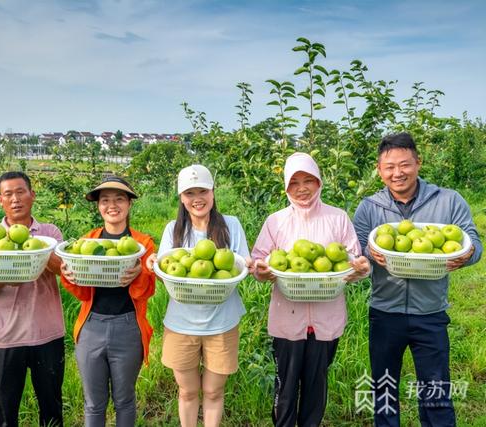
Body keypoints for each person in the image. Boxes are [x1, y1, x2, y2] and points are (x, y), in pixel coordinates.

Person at [353, 132, 482, 427]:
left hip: (431, 312)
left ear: (418, 163)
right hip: (385, 312)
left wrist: (468, 253)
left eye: (405, 164)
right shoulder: (369, 208)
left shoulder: (448, 200)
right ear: (379, 169)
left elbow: (472, 241)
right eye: (389, 167)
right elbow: (357, 249)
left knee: (435, 391)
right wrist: (370, 254)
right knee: (384, 390)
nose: (397, 173)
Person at [250, 152, 370, 427]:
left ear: (319, 183)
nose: (302, 188)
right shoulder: (276, 221)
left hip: (327, 319)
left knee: (317, 389)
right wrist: (263, 270)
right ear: (286, 188)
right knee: (286, 389)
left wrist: (360, 270)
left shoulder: (337, 218)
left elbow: (352, 262)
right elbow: (258, 262)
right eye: (294, 182)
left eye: (308, 180)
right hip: (287, 318)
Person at [146, 164, 251, 427]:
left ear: (213, 192)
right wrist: (154, 265)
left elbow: (241, 265)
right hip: (181, 323)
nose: (197, 199)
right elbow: (167, 274)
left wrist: (249, 265)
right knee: (188, 391)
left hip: (222, 322)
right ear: (181, 198)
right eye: (189, 193)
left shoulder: (231, 225)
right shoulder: (174, 229)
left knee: (214, 391)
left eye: (202, 191)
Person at [60, 176, 155, 427]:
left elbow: (147, 290)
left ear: (129, 204)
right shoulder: (86, 243)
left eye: (119, 199)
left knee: (125, 399)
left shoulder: (142, 245)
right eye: (105, 200)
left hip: (128, 327)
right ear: (99, 206)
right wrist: (69, 276)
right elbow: (82, 293)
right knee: (93, 402)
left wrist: (140, 274)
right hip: (91, 326)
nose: (112, 205)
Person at [0, 171, 66, 427]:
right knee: (4, 413)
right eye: (8, 194)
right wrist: (5, 272)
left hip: (47, 334)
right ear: (0, 200)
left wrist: (37, 249)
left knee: (51, 409)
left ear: (32, 196)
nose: (15, 199)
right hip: (4, 339)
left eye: (21, 192)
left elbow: (63, 271)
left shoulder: (49, 232)